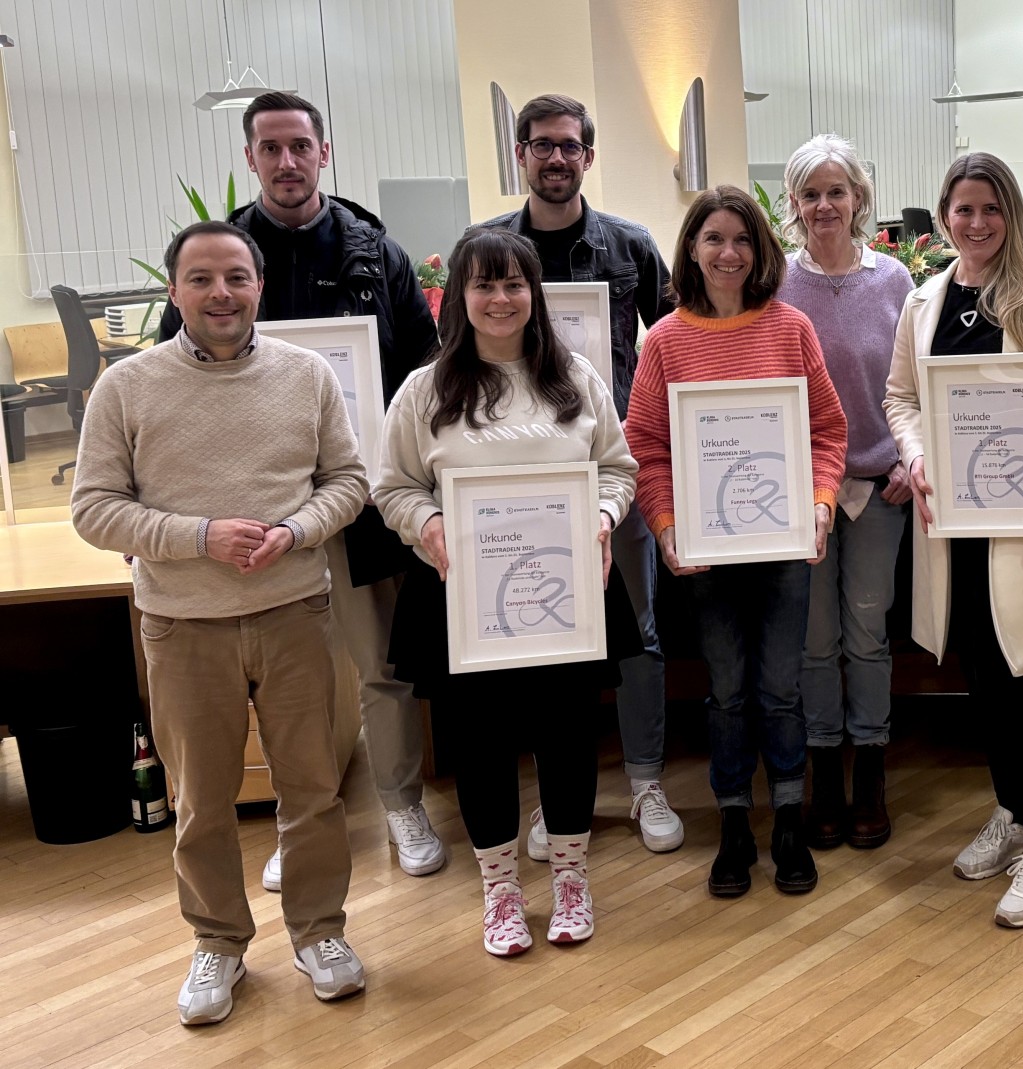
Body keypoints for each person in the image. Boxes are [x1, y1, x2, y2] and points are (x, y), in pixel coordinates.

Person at [73, 220, 370, 1024]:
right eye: (200, 278)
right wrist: (198, 535)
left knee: (312, 787)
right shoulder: (126, 387)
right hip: (181, 624)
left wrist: (298, 530)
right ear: (173, 291)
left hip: (294, 612)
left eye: (236, 276)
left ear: (259, 285)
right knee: (200, 799)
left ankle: (319, 931)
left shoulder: (307, 375)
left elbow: (347, 480)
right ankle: (218, 944)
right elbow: (94, 509)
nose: (220, 293)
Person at [158, 90, 445, 887]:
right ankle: (303, 825)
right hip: (249, 511)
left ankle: (400, 804)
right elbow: (169, 376)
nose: (287, 162)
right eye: (270, 148)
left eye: (300, 147)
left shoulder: (374, 255)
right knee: (293, 685)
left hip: (359, 502)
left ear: (325, 153)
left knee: (380, 666)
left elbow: (422, 370)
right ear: (250, 160)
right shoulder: (220, 256)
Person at [374, 228, 640, 957]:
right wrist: (428, 524)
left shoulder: (575, 378)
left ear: (535, 294)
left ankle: (572, 879)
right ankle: (499, 892)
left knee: (567, 740)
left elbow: (617, 468)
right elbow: (392, 486)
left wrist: (603, 515)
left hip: (566, 597)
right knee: (481, 746)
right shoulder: (425, 390)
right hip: (464, 601)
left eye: (514, 283)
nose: (501, 298)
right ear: (460, 296)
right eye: (485, 285)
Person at [884, 152, 1023, 929]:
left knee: (1018, 675)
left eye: (991, 209)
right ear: (943, 215)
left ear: (1011, 214)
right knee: (982, 673)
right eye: (962, 210)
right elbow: (901, 396)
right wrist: (911, 453)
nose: (976, 224)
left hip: (1022, 517)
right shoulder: (923, 301)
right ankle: (1013, 813)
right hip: (952, 524)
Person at [625, 185, 849, 899]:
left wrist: (819, 504)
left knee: (781, 689)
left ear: (761, 251)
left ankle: (786, 817)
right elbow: (647, 447)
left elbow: (825, 431)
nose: (729, 253)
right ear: (691, 248)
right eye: (714, 238)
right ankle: (733, 823)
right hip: (707, 554)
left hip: (783, 547)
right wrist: (663, 524)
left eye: (743, 239)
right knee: (725, 692)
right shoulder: (664, 341)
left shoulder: (790, 329)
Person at [475, 94, 683, 857]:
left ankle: (647, 777)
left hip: (609, 473)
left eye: (569, 146)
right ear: (521, 156)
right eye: (540, 145)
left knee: (641, 633)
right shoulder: (485, 245)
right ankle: (552, 798)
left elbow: (668, 349)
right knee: (535, 634)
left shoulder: (629, 246)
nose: (555, 158)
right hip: (510, 482)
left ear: (587, 157)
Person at [776, 135, 916, 851]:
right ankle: (823, 768)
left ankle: (870, 772)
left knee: (867, 635)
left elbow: (915, 387)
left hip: (877, 488)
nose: (824, 205)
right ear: (794, 204)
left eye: (837, 191)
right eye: (810, 193)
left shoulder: (895, 281)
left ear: (859, 197)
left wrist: (907, 460)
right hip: (800, 493)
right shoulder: (776, 283)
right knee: (813, 640)